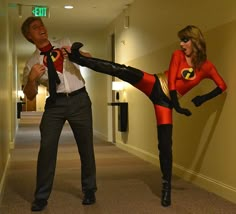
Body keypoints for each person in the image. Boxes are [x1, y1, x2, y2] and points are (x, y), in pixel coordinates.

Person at [65, 25, 227, 207]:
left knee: (165, 144)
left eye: (185, 40)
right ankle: (77, 58)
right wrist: (178, 106)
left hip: (164, 104)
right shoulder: (178, 56)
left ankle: (166, 188)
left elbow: (222, 86)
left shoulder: (207, 66)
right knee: (121, 70)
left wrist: (203, 98)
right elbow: (172, 81)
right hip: (155, 84)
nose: (181, 44)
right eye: (181, 40)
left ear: (196, 41)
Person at [21, 16, 97, 212]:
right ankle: (41, 197)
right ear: (29, 36)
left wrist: (78, 55)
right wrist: (31, 79)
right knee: (46, 148)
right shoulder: (31, 62)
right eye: (35, 28)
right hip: (55, 104)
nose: (41, 28)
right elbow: (29, 95)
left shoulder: (64, 43)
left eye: (42, 25)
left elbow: (89, 60)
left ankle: (89, 190)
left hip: (80, 99)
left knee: (86, 146)